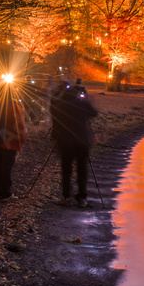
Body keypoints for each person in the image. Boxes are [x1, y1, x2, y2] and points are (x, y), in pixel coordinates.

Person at [51, 78, 98, 207]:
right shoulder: (82, 104)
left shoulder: (59, 106)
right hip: (82, 142)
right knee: (82, 169)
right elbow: (94, 113)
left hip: (65, 142)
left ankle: (66, 196)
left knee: (66, 170)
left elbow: (55, 122)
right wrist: (86, 101)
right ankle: (82, 198)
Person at [0, 82, 27, 200]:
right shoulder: (14, 106)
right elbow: (19, 124)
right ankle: (6, 193)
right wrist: (22, 139)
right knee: (6, 167)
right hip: (9, 141)